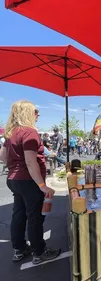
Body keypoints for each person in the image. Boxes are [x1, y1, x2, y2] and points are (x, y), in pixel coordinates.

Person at [0, 100, 61, 264]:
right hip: (28, 180)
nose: (38, 114)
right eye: (35, 111)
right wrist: (42, 185)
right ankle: (39, 252)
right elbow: (30, 162)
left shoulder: (10, 133)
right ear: (27, 113)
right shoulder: (29, 132)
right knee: (34, 217)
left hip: (13, 179)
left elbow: (3, 157)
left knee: (18, 215)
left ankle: (19, 249)